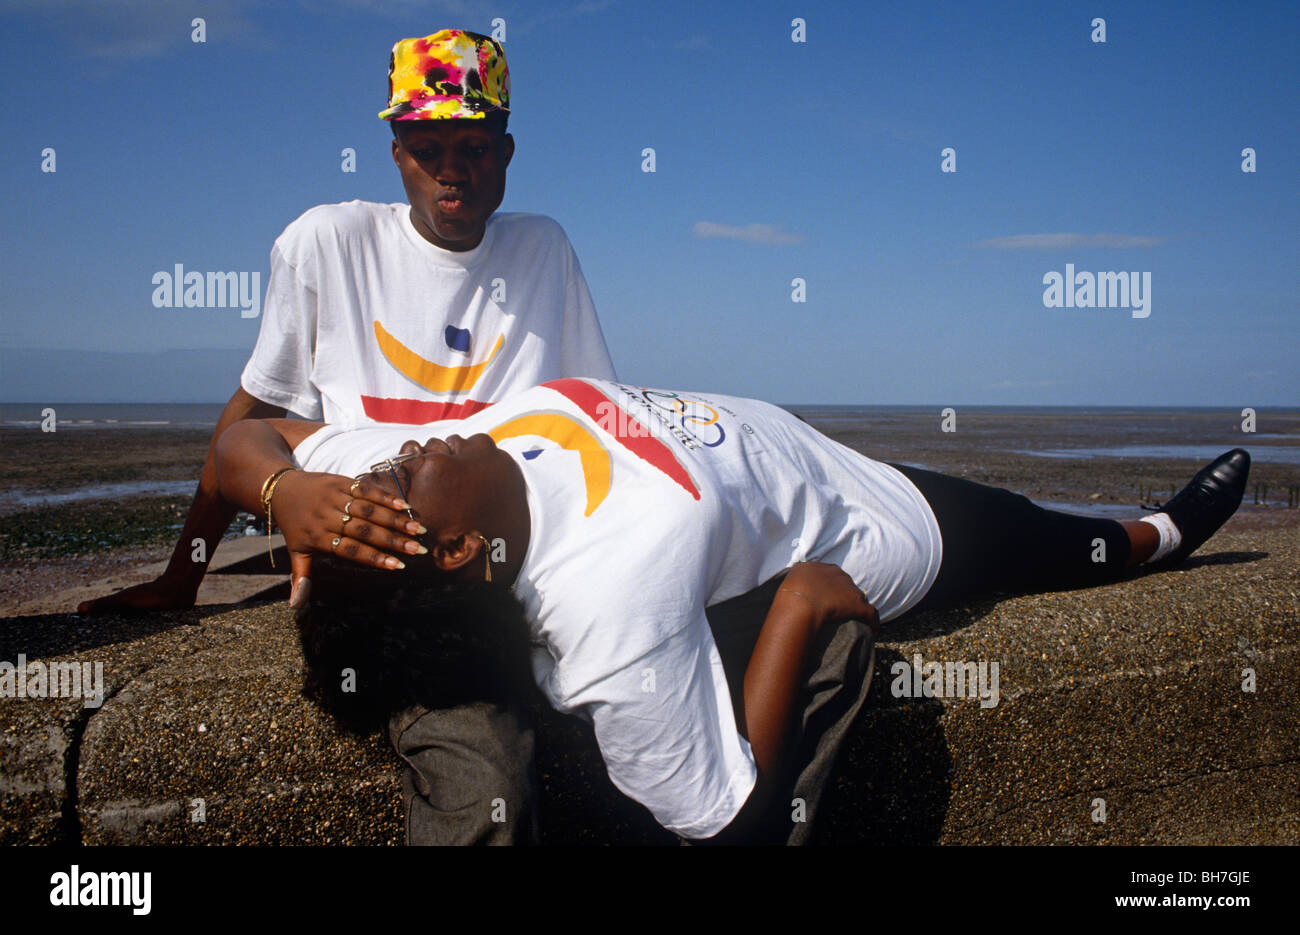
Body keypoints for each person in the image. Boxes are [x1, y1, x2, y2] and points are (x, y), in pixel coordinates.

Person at [212, 376, 1251, 842]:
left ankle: (1138, 529)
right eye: (404, 472)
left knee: (1016, 514)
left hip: (798, 446)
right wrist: (798, 607)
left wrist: (284, 493)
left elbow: (247, 436)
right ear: (454, 548)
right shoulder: (609, 609)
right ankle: (1157, 534)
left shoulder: (427, 476)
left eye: (387, 468)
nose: (411, 448)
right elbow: (726, 815)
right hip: (859, 522)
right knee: (1031, 535)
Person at [78, 28, 616, 616]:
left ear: (506, 152)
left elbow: (594, 411)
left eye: (474, 148)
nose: (452, 170)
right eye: (427, 150)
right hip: (366, 540)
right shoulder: (326, 243)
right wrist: (182, 578)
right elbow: (255, 411)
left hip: (501, 548)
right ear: (396, 155)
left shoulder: (544, 247)